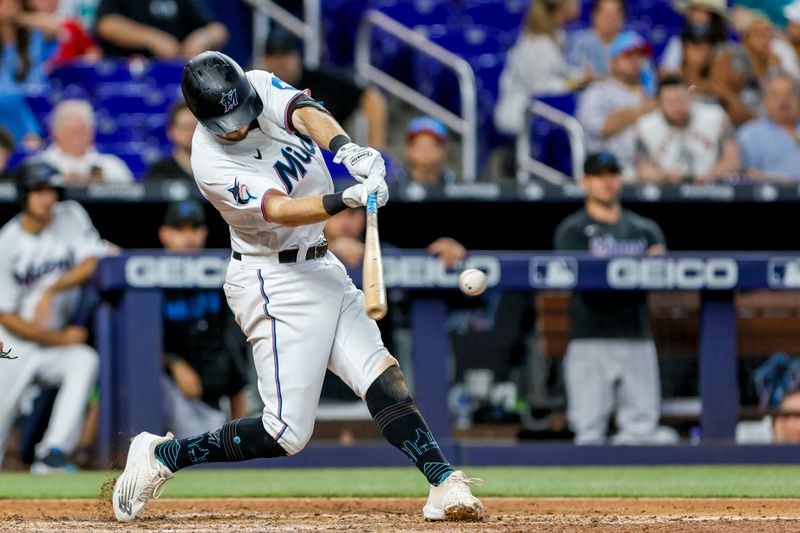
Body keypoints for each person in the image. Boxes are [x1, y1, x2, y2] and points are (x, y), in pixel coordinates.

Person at [112, 51, 483, 523]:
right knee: (284, 432)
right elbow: (280, 210)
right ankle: (162, 457)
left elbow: (307, 114)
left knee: (380, 374)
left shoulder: (259, 86)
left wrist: (349, 149)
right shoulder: (209, 162)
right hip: (272, 279)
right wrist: (344, 198)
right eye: (227, 121)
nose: (240, 125)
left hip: (320, 263)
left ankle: (442, 481)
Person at [554, 152, 677, 445]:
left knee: (642, 429)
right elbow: (579, 281)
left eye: (612, 174)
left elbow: (663, 275)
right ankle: (586, 492)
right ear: (585, 181)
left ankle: (635, 493)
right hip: (590, 337)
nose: (607, 182)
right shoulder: (573, 230)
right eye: (599, 175)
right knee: (588, 429)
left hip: (636, 334)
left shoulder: (644, 229)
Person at [0, 160, 103, 471]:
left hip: (53, 343)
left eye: (53, 190)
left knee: (84, 360)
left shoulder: (70, 215)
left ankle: (51, 454)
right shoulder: (7, 242)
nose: (49, 198)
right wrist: (57, 337)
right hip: (13, 344)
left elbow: (92, 261)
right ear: (24, 194)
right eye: (40, 191)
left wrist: (53, 288)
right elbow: (5, 315)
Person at [158, 200, 249, 438]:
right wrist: (174, 363)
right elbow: (137, 348)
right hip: (165, 391)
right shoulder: (152, 283)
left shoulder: (221, 282)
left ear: (204, 233)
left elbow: (235, 355)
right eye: (180, 229)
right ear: (165, 234)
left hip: (204, 405)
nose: (188, 237)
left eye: (194, 229)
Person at [259, 31, 387, 149]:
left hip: (327, 158)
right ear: (264, 60)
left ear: (297, 57)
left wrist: (376, 149)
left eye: (285, 55)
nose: (280, 62)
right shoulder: (259, 89)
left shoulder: (321, 81)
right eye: (273, 56)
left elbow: (372, 98)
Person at [494, 0, 590, 135]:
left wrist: (582, 77)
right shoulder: (539, 43)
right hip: (520, 110)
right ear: (560, 9)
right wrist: (571, 84)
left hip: (538, 108)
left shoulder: (557, 35)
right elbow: (539, 86)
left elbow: (561, 70)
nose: (577, 4)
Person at [576, 31, 656, 177]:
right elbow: (601, 128)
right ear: (612, 61)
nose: (635, 60)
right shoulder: (597, 91)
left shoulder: (649, 93)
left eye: (639, 56)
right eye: (628, 56)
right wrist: (643, 109)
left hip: (650, 167)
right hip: (608, 168)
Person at [635, 75, 740, 184]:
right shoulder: (645, 126)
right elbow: (643, 169)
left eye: (681, 100)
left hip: (711, 186)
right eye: (670, 101)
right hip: (668, 190)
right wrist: (664, 176)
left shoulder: (716, 117)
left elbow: (732, 160)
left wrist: (711, 175)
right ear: (659, 103)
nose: (677, 106)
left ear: (691, 97)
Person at [711, 9, 781, 126]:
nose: (764, 38)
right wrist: (734, 102)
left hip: (768, 117)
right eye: (758, 33)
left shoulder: (774, 61)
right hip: (737, 118)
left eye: (768, 33)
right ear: (745, 37)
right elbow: (716, 87)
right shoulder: (730, 57)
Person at [39, 99, 134, 185]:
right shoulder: (41, 164)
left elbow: (133, 196)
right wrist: (63, 182)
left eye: (81, 131)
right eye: (70, 132)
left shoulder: (111, 165)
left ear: (91, 133)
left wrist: (104, 183)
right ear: (55, 133)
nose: (76, 138)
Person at [94, 0, 228, 58]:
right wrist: (151, 39)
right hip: (131, 75)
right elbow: (106, 25)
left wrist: (202, 38)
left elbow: (218, 30)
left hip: (177, 74)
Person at [737, 73, 800, 181]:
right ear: (764, 101)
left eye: (789, 94)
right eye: (776, 95)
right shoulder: (751, 134)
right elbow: (746, 174)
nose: (784, 100)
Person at [660, 0, 730, 74]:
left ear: (713, 19)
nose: (697, 17)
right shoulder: (678, 44)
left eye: (703, 12)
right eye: (694, 11)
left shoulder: (724, 50)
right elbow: (666, 74)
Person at [566, 0, 625, 77]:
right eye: (607, 16)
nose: (610, 21)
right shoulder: (579, 42)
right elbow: (569, 72)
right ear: (595, 16)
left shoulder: (631, 44)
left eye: (615, 16)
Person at [146, 100, 196, 181]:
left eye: (195, 127)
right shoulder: (159, 170)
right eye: (185, 128)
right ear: (171, 131)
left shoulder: (215, 167)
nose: (191, 133)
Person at [400, 116, 455, 185]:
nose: (426, 151)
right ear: (408, 150)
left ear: (444, 151)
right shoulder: (390, 188)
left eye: (432, 145)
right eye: (420, 145)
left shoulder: (454, 185)